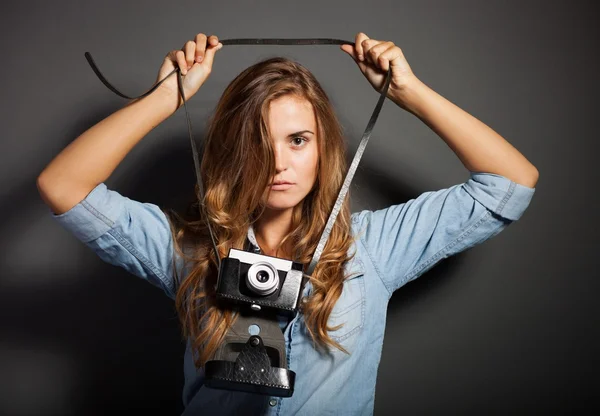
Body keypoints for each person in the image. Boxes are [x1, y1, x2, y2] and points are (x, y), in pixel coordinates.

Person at [37, 32, 539, 415]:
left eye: (298, 140)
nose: (278, 162)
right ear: (235, 153)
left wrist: (411, 93)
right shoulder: (190, 249)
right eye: (258, 142)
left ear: (324, 150)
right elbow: (64, 187)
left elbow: (511, 183)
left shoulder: (375, 247)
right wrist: (166, 99)